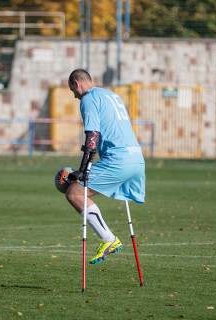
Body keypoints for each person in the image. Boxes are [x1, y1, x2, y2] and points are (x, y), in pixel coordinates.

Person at [66, 69, 145, 264]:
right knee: (79, 190)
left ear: (77, 83)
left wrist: (83, 170)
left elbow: (92, 136)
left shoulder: (88, 99)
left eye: (72, 90)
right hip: (137, 159)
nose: (74, 96)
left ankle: (109, 240)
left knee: (75, 193)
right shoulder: (111, 94)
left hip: (118, 160)